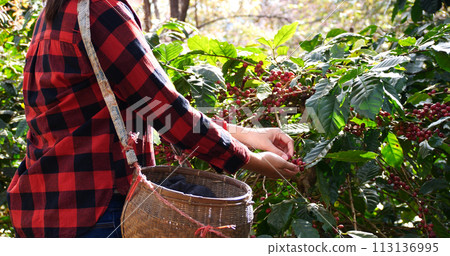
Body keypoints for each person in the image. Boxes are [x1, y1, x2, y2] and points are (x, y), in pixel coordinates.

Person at [7, 0, 300, 238]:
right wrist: (252, 160)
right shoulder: (100, 10)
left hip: (46, 206)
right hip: (96, 213)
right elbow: (165, 109)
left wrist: (245, 134)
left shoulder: (56, 12)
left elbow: (134, 104)